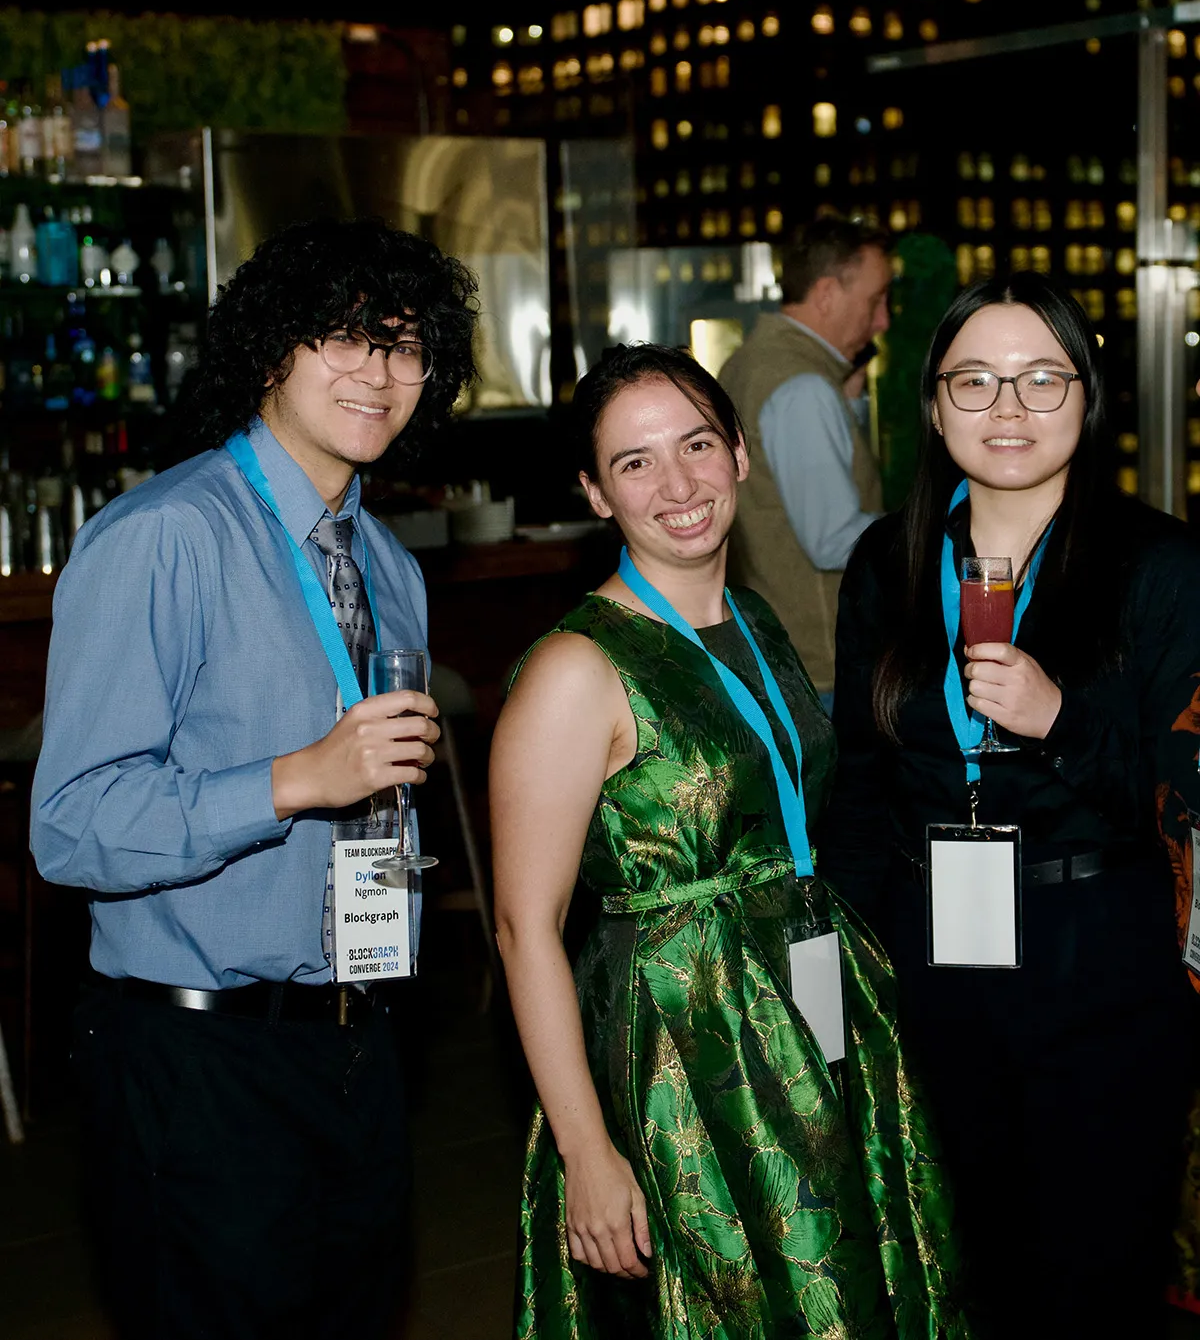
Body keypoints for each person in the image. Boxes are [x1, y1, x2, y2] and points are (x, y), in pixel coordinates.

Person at [31, 217, 477, 1340]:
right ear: (270, 348)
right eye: (344, 337)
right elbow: (70, 826)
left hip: (358, 1033)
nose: (378, 372)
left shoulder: (386, 564)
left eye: (406, 345)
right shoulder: (164, 535)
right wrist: (292, 778)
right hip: (197, 1055)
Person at [490, 343, 972, 1340]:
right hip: (679, 1046)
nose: (678, 484)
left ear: (740, 453)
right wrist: (587, 1148)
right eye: (635, 462)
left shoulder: (752, 617)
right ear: (593, 490)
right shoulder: (576, 668)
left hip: (806, 1003)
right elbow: (521, 925)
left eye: (697, 444)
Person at [819, 274, 1200, 1339]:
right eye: (975, 381)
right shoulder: (885, 564)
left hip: (1104, 962)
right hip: (930, 951)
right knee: (961, 1266)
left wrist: (1062, 717)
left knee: (1092, 1274)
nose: (1009, 408)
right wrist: (845, 972)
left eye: (1042, 378)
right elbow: (857, 781)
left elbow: (1188, 805)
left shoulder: (1158, 564)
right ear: (933, 406)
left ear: (1088, 397)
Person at [720, 215, 891, 709]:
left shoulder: (751, 361)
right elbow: (832, 539)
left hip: (779, 652)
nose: (882, 320)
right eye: (875, 300)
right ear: (826, 294)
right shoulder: (803, 388)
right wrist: (925, 529)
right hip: (819, 668)